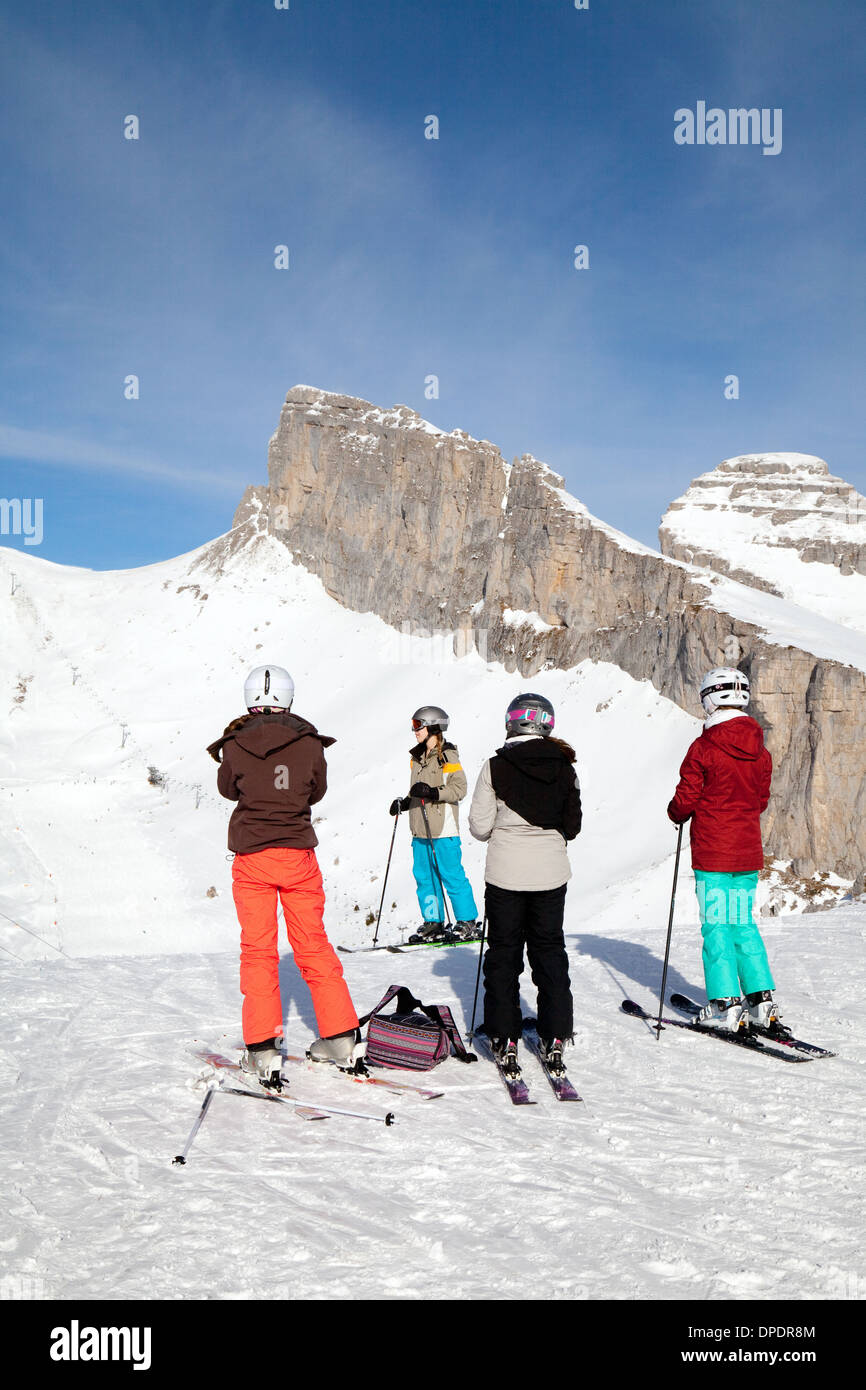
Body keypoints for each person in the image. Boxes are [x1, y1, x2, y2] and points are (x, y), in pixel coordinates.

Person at [207, 664, 362, 1084]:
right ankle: (342, 1038)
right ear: (288, 698)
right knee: (312, 945)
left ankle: (262, 1049)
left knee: (258, 951)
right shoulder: (310, 743)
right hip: (297, 854)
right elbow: (317, 790)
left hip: (253, 856)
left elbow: (227, 790)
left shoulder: (235, 743)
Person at [468, 693, 581, 1078]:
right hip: (551, 874)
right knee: (550, 951)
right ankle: (554, 1035)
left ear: (510, 722)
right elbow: (573, 826)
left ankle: (504, 1036)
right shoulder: (565, 767)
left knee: (504, 954)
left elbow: (480, 827)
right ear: (547, 723)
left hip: (505, 875)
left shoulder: (495, 766)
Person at [667, 667, 783, 1035]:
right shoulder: (760, 751)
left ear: (710, 699)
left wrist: (676, 812)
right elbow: (760, 800)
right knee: (742, 924)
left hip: (715, 854)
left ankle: (725, 1002)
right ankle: (761, 1000)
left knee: (717, 926)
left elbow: (686, 798)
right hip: (746, 852)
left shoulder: (704, 747)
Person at [388, 704, 479, 943]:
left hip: (443, 828)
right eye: (413, 725)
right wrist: (405, 803)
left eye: (418, 725)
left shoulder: (447, 755)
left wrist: (432, 792)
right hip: (420, 828)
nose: (414, 730)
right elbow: (418, 790)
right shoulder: (416, 758)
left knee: (451, 875)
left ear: (434, 727)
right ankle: (434, 922)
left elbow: (459, 788)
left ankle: (467, 922)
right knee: (424, 877)